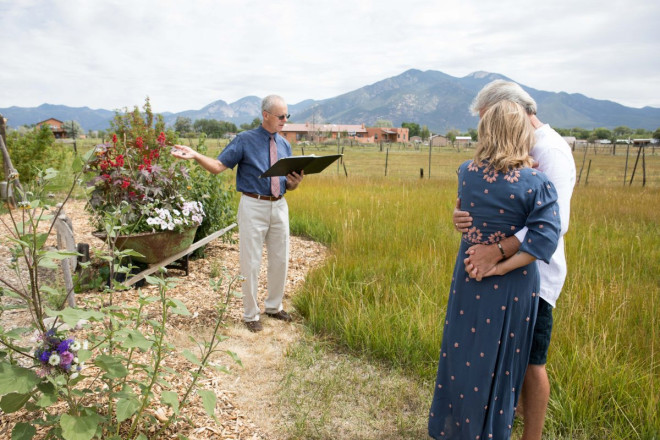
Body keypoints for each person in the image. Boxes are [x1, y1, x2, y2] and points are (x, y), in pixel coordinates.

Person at [428, 100, 561, 440]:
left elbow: (464, 211)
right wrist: (502, 269)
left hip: (469, 276)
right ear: (521, 133)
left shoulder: (465, 172)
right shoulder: (536, 183)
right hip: (513, 284)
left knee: (464, 353)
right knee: (502, 361)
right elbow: (544, 239)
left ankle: (458, 428)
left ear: (485, 131)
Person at [453, 80, 576, 440]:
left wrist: (499, 251)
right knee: (505, 361)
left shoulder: (549, 151)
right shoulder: (506, 156)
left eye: (489, 118)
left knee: (531, 363)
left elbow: (557, 223)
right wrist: (459, 216)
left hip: (536, 275)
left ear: (512, 110)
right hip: (501, 277)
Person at [172, 95, 304, 333]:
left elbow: (289, 185)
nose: (285, 120)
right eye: (281, 116)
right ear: (266, 115)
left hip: (280, 205)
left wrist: (295, 182)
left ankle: (274, 307)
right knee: (251, 262)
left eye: (287, 116)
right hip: (254, 206)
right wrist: (195, 154)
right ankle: (250, 314)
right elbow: (217, 167)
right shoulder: (244, 140)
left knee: (281, 259)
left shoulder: (285, 145)